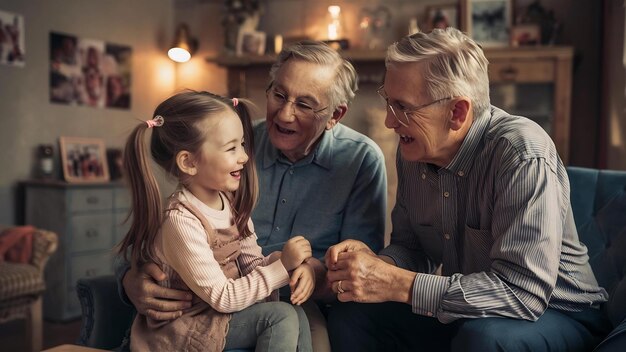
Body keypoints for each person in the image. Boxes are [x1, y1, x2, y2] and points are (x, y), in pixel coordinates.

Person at [325, 27, 611, 351]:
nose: (390, 122)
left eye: (403, 107)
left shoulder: (521, 155)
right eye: (388, 102)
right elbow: (411, 248)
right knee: (352, 315)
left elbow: (524, 294)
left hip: (559, 315)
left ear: (457, 112)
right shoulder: (414, 151)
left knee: (484, 339)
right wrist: (378, 268)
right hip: (470, 311)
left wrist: (398, 284)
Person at [118, 41, 387, 351]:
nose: (285, 115)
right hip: (211, 305)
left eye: (304, 104)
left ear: (335, 115)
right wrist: (130, 279)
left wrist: (314, 271)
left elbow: (360, 267)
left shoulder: (361, 160)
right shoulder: (221, 144)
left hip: (288, 299)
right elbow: (154, 230)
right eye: (279, 95)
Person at [119, 90, 313, 351]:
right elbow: (223, 297)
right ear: (189, 162)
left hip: (220, 313)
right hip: (186, 326)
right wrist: (280, 269)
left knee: (298, 314)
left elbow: (251, 264)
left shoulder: (230, 204)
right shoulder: (181, 222)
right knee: (280, 316)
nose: (243, 156)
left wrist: (281, 261)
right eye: (231, 148)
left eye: (242, 144)